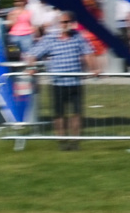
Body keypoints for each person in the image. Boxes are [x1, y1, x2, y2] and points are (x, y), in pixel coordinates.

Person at [28, 12, 97, 150]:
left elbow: (88, 53)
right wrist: (32, 67)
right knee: (59, 114)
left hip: (75, 83)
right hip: (58, 83)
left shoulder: (78, 37)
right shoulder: (50, 39)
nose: (65, 25)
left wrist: (94, 69)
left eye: (67, 22)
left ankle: (75, 142)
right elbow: (33, 54)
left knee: (76, 114)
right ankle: (62, 141)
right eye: (62, 22)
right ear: (58, 24)